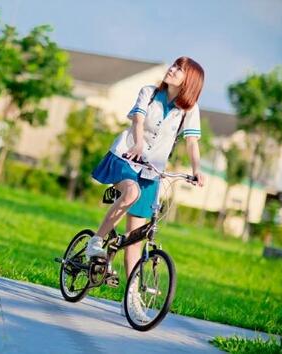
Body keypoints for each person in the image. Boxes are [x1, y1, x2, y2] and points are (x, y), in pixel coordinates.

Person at [85, 57, 206, 320]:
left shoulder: (189, 109)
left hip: (153, 170)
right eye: (173, 66)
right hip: (125, 158)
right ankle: (95, 241)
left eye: (179, 70)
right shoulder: (149, 93)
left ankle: (131, 298)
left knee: (136, 238)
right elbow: (137, 122)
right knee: (130, 193)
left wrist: (196, 169)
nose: (171, 70)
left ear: (190, 81)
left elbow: (192, 142)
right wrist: (138, 145)